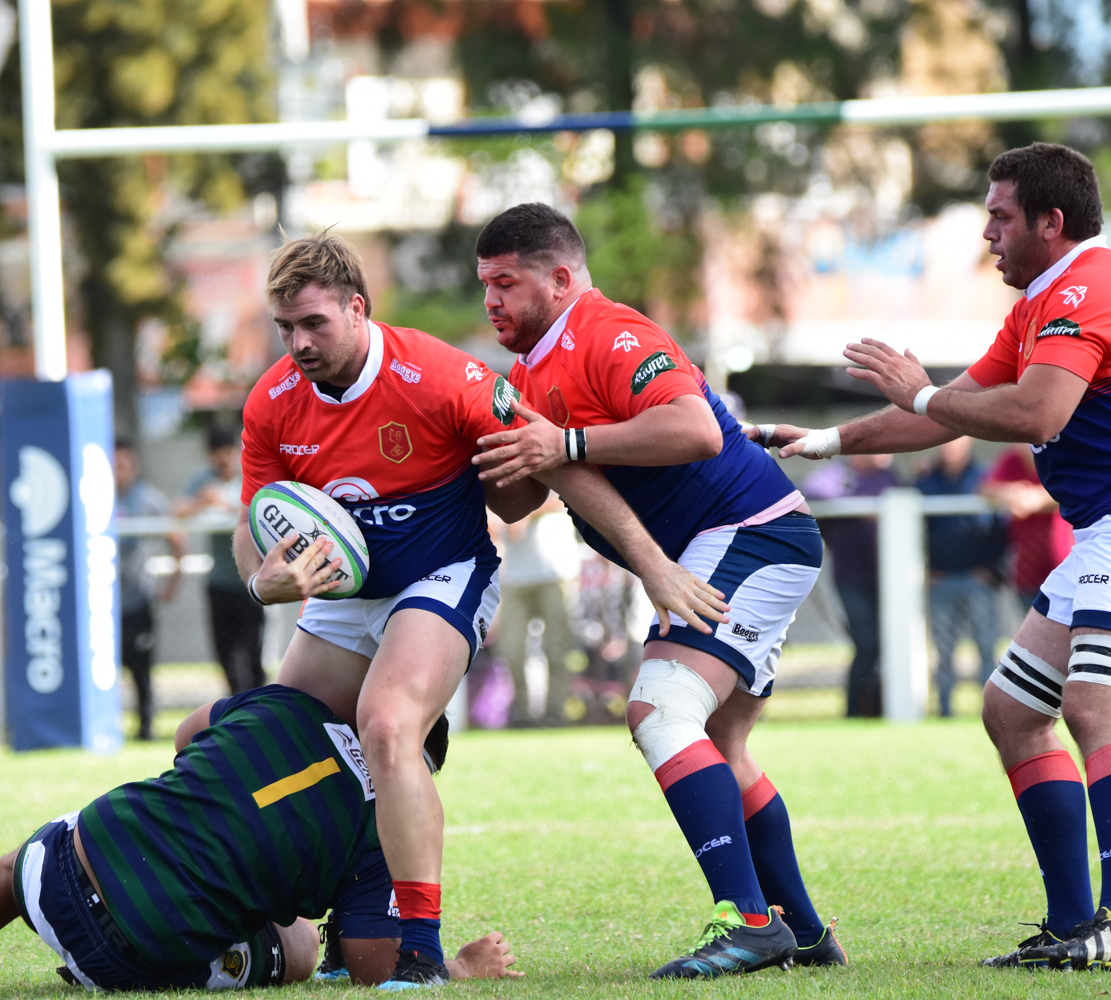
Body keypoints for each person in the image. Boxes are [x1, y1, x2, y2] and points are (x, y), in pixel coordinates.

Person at [234, 232, 716, 987]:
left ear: (357, 309)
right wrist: (262, 583)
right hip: (343, 593)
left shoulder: (439, 376)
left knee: (386, 724)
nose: (298, 345)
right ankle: (345, 914)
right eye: (285, 328)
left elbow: (547, 465)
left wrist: (651, 566)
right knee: (276, 744)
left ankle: (420, 950)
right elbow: (253, 521)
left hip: (441, 575)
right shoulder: (272, 401)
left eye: (314, 324)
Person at [755, 142, 1111, 969]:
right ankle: (1074, 926)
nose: (987, 233)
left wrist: (918, 388)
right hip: (1097, 534)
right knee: (1014, 712)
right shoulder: (1043, 301)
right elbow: (952, 410)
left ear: (1051, 223)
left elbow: (1035, 414)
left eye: (1000, 216)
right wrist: (828, 439)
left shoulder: (1088, 286)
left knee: (1094, 710)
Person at [472, 203, 844, 978]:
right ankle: (804, 933)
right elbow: (529, 490)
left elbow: (696, 429)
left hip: (752, 533)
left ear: (560, 278)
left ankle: (749, 923)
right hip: (739, 540)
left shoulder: (608, 331)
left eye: (505, 283)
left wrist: (565, 442)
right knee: (723, 745)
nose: (491, 301)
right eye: (485, 285)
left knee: (658, 708)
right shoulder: (530, 371)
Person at [0, 684, 520, 992]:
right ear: (422, 770)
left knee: (8, 871)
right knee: (300, 944)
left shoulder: (289, 706)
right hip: (135, 953)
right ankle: (107, 964)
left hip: (73, 860)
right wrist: (458, 967)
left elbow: (187, 734)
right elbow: (369, 964)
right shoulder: (387, 823)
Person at [802, 454, 898, 718]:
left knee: (887, 644)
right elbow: (813, 493)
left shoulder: (888, 476)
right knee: (867, 644)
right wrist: (861, 506)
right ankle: (856, 710)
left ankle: (880, 707)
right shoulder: (838, 475)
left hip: (890, 580)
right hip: (851, 579)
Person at [915, 437, 1005, 717]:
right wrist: (927, 568)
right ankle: (944, 709)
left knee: (986, 645)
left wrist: (990, 569)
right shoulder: (925, 481)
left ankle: (991, 710)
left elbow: (1001, 529)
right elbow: (916, 528)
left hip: (978, 579)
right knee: (943, 649)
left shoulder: (986, 477)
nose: (951, 446)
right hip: (940, 579)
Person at [180, 426, 266, 694]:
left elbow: (261, 509)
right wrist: (202, 502)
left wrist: (224, 504)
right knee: (226, 653)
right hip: (219, 583)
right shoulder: (204, 482)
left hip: (250, 581)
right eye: (216, 454)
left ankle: (259, 702)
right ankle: (238, 703)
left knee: (253, 651)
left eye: (226, 453)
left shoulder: (248, 478)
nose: (222, 459)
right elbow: (176, 511)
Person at [490, 497, 580, 727]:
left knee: (558, 647)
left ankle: (556, 713)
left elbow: (567, 496)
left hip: (556, 571)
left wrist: (525, 512)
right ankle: (522, 712)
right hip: (514, 574)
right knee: (511, 648)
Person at [115, 439, 183, 740]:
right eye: (114, 465)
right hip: (100, 604)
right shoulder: (92, 496)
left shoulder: (147, 499)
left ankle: (145, 726)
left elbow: (177, 538)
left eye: (124, 465)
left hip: (138, 599)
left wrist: (173, 581)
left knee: (141, 667)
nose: (119, 471)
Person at [981, 443, 1075, 608]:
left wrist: (1037, 498)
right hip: (1027, 568)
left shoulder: (1056, 456)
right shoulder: (1012, 459)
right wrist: (1011, 493)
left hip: (1062, 563)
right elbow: (986, 489)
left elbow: (1074, 488)